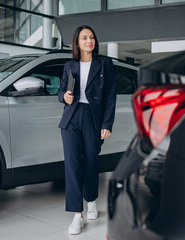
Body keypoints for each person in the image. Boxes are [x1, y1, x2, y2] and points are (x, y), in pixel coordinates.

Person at [58, 25, 116, 235]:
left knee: (91, 162)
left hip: (93, 118)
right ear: (77, 42)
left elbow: (110, 96)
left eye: (91, 37)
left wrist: (107, 124)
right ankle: (76, 215)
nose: (89, 41)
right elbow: (60, 91)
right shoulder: (69, 65)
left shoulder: (104, 64)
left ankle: (91, 199)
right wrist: (64, 96)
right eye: (84, 38)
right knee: (72, 166)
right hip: (71, 117)